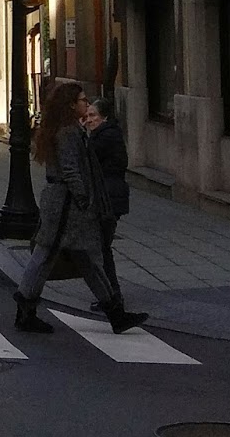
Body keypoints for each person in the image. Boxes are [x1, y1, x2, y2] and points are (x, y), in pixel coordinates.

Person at [13, 80, 148, 336]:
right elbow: (70, 170)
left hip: (68, 205)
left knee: (85, 258)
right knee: (46, 256)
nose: (87, 103)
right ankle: (25, 309)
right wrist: (83, 198)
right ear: (71, 105)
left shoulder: (70, 129)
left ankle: (115, 313)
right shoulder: (67, 132)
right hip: (66, 206)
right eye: (83, 100)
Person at [85, 95, 129, 305]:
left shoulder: (105, 137)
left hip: (108, 200)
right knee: (101, 247)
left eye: (93, 115)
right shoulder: (105, 134)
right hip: (110, 198)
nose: (89, 120)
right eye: (87, 116)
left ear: (104, 117)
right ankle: (110, 294)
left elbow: (87, 158)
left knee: (101, 248)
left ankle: (112, 295)